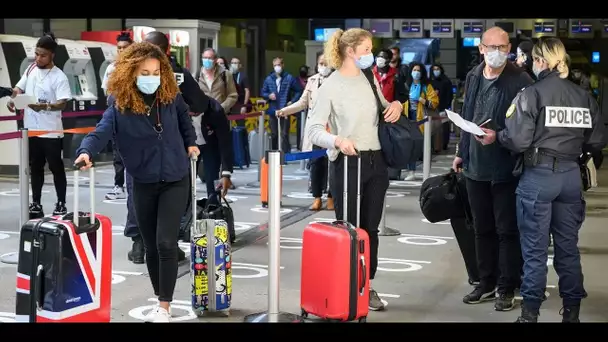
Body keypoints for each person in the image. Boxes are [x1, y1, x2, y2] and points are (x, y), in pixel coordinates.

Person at [477, 38, 608, 323]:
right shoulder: (583, 96)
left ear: (540, 61)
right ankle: (571, 313)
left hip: (538, 177)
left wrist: (496, 136)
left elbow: (519, 140)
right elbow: (597, 139)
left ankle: (530, 313)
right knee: (568, 248)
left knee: (535, 250)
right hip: (571, 176)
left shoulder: (531, 94)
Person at [74, 41, 199, 323]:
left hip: (175, 178)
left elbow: (184, 122)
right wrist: (85, 151)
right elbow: (100, 132)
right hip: (142, 181)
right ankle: (160, 298)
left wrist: (190, 144)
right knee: (151, 245)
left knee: (166, 242)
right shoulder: (119, 105)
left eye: (156, 72)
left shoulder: (171, 96)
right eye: (145, 72)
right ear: (131, 72)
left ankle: (164, 306)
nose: (151, 78)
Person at [306, 28, 403, 311]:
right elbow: (313, 129)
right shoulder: (330, 86)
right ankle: (346, 286)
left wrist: (395, 105)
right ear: (350, 52)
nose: (371, 55)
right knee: (349, 229)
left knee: (370, 229)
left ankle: (366, 285)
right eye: (366, 49)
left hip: (376, 161)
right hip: (347, 163)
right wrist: (337, 140)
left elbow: (384, 108)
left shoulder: (368, 78)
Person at [451, 27, 534, 311]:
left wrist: (498, 136)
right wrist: (462, 151)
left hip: (506, 167)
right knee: (481, 227)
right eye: (492, 47)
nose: (498, 52)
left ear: (509, 48)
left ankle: (507, 286)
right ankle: (485, 282)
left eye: (503, 47)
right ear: (482, 49)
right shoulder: (474, 76)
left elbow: (526, 126)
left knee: (506, 230)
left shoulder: (520, 79)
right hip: (475, 166)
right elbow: (468, 115)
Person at [7, 33, 71, 217]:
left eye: (42, 55)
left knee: (56, 167)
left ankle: (61, 203)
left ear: (52, 55)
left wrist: (43, 106)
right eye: (36, 54)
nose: (38, 58)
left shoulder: (59, 77)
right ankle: (36, 203)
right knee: (35, 167)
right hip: (32, 130)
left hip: (51, 131)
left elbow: (62, 103)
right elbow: (19, 88)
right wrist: (13, 100)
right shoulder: (31, 69)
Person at [277, 53, 334, 211]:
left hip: (333, 129)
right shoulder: (312, 80)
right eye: (321, 63)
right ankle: (316, 197)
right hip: (316, 129)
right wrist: (285, 111)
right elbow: (303, 102)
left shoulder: (338, 80)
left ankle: (331, 197)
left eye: (326, 63)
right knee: (316, 164)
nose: (323, 66)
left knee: (332, 164)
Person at [102, 31, 133, 201]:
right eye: (119, 48)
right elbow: (107, 92)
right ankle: (118, 185)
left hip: (135, 116)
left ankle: (134, 185)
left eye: (125, 48)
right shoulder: (111, 68)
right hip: (117, 115)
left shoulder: (138, 66)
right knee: (118, 153)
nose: (121, 51)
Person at [402, 62, 439, 180]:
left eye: (418, 70)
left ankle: (426, 171)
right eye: (414, 70)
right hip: (408, 118)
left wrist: (421, 100)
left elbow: (434, 103)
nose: (416, 73)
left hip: (422, 119)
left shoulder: (426, 87)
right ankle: (411, 171)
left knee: (423, 146)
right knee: (410, 145)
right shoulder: (407, 85)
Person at [261, 57, 303, 155]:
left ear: (283, 65)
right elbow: (263, 92)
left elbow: (299, 90)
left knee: (284, 134)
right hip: (273, 109)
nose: (277, 67)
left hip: (285, 109)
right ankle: (274, 154)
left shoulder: (289, 78)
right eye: (275, 65)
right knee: (274, 134)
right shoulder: (269, 79)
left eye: (279, 65)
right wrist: (268, 96)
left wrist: (292, 101)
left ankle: (285, 155)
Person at [430, 63, 455, 150]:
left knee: (444, 126)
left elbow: (449, 95)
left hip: (443, 107)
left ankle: (444, 144)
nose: (436, 71)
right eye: (434, 69)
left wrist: (447, 106)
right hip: (432, 108)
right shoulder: (430, 81)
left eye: (437, 69)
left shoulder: (446, 81)